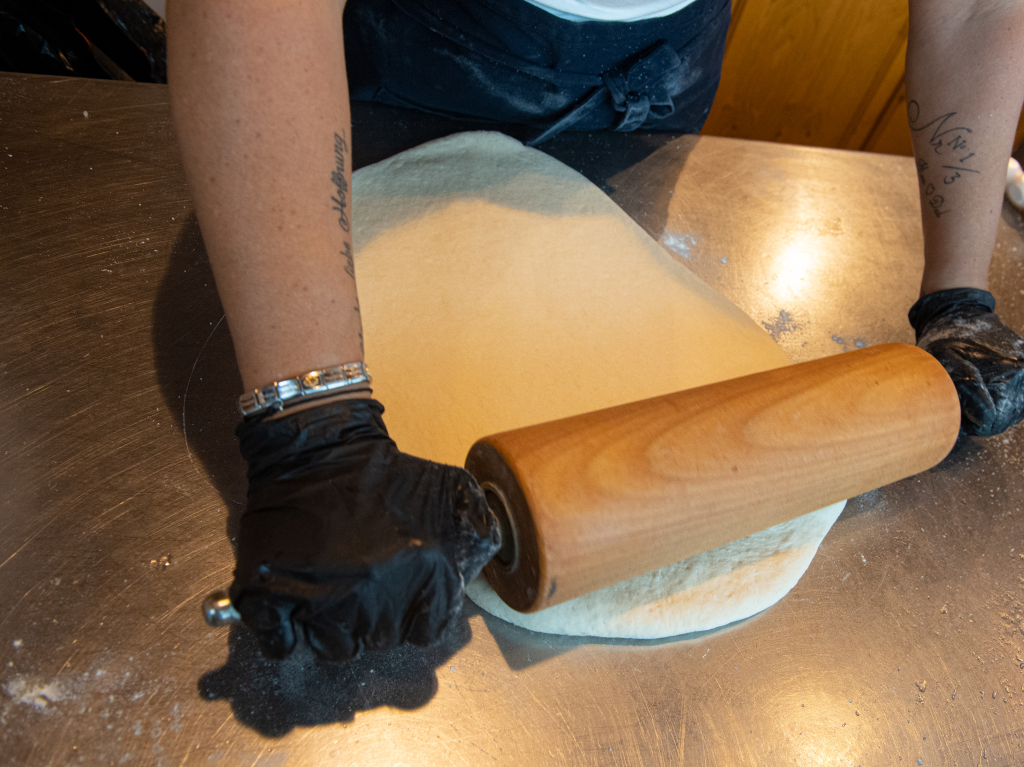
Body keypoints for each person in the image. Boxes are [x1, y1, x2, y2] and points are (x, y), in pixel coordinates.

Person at [167, 0, 1024, 661]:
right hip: (415, 51)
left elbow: (978, 9)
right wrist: (310, 421)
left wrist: (959, 297)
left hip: (667, 59)